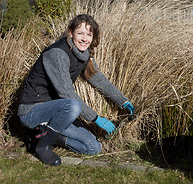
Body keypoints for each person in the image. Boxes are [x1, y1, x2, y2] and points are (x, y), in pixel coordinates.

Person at [17, 14, 135, 166]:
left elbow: (99, 79)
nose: (85, 39)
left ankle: (43, 136)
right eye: (80, 33)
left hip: (58, 115)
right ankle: (43, 146)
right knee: (73, 105)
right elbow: (66, 94)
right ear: (71, 33)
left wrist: (123, 101)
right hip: (32, 112)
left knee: (93, 147)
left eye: (89, 34)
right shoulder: (57, 54)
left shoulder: (85, 54)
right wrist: (96, 119)